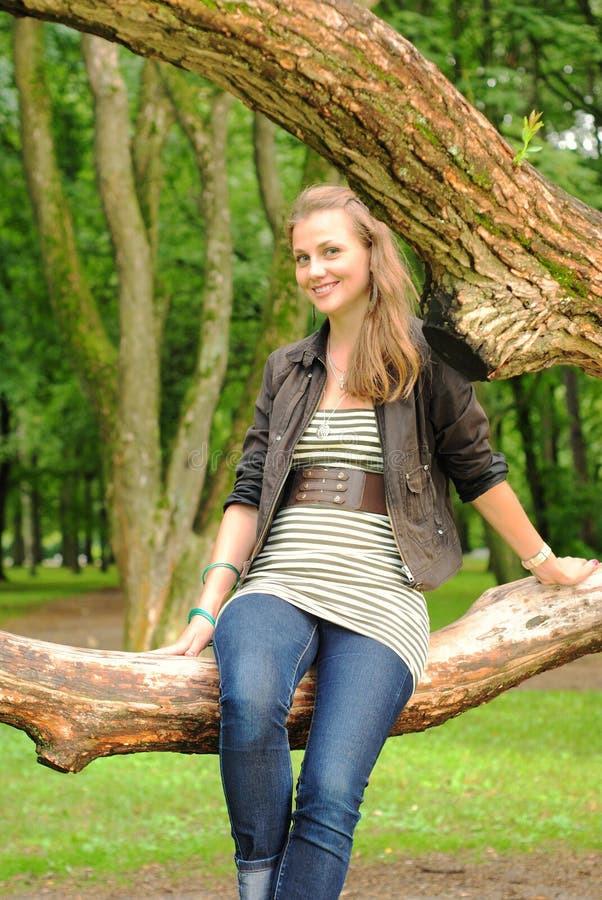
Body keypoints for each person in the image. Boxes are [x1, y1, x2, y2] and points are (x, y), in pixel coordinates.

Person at [159, 185, 598, 899]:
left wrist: (543, 561)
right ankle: (258, 884)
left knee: (331, 791)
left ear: (371, 252)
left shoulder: (428, 358)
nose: (315, 270)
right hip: (278, 581)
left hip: (382, 596)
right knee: (249, 702)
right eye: (302, 257)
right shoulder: (287, 368)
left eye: (331, 251)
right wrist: (208, 609)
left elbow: (478, 470)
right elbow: (247, 491)